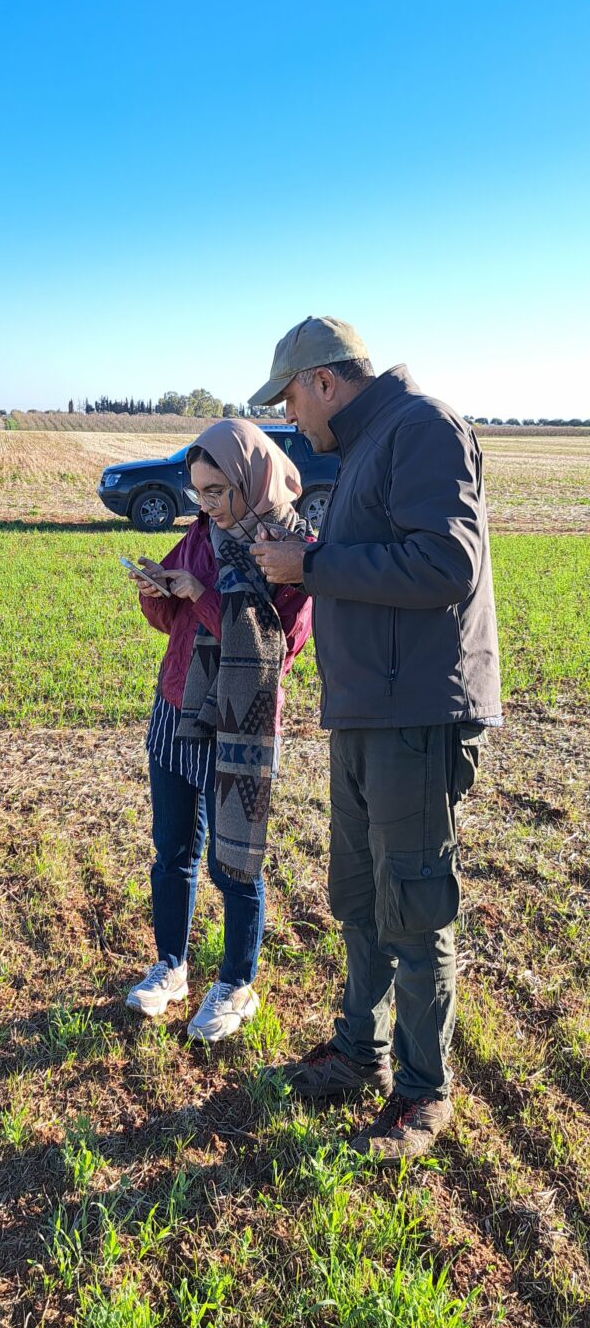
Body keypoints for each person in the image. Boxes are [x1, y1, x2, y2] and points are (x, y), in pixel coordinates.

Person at [248, 316, 501, 1162]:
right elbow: (379, 557)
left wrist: (312, 567)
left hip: (413, 715)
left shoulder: (422, 425)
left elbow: (445, 565)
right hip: (366, 711)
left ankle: (423, 1096)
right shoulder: (370, 442)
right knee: (358, 895)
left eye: (289, 398)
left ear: (323, 379)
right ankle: (360, 1049)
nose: (290, 419)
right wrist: (308, 553)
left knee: (415, 903)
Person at [125, 417, 312, 1043]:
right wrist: (159, 587)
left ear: (249, 478)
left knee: (233, 863)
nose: (203, 507)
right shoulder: (202, 532)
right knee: (171, 848)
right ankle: (172, 966)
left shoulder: (292, 550)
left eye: (215, 492)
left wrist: (202, 593)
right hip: (172, 708)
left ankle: (236, 982)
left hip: (238, 726)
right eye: (198, 493)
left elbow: (278, 646)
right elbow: (170, 623)